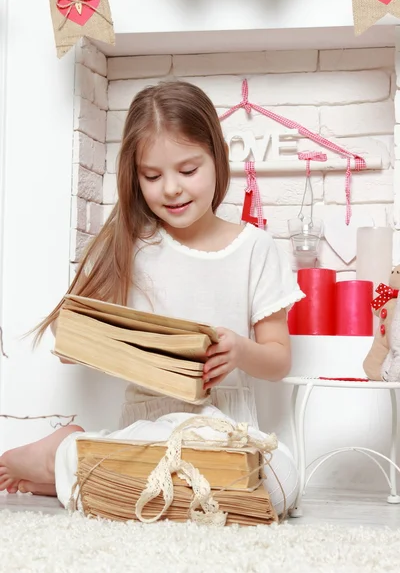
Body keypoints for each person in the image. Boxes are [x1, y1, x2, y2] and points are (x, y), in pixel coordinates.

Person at [0, 81, 304, 515]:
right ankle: (65, 456)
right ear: (135, 175)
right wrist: (100, 342)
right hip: (149, 429)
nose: (172, 189)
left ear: (217, 158)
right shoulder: (132, 246)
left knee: (280, 487)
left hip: (228, 431)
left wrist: (239, 350)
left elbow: (278, 360)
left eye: (188, 169)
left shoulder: (255, 248)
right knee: (173, 470)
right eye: (152, 176)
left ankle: (75, 466)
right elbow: (70, 342)